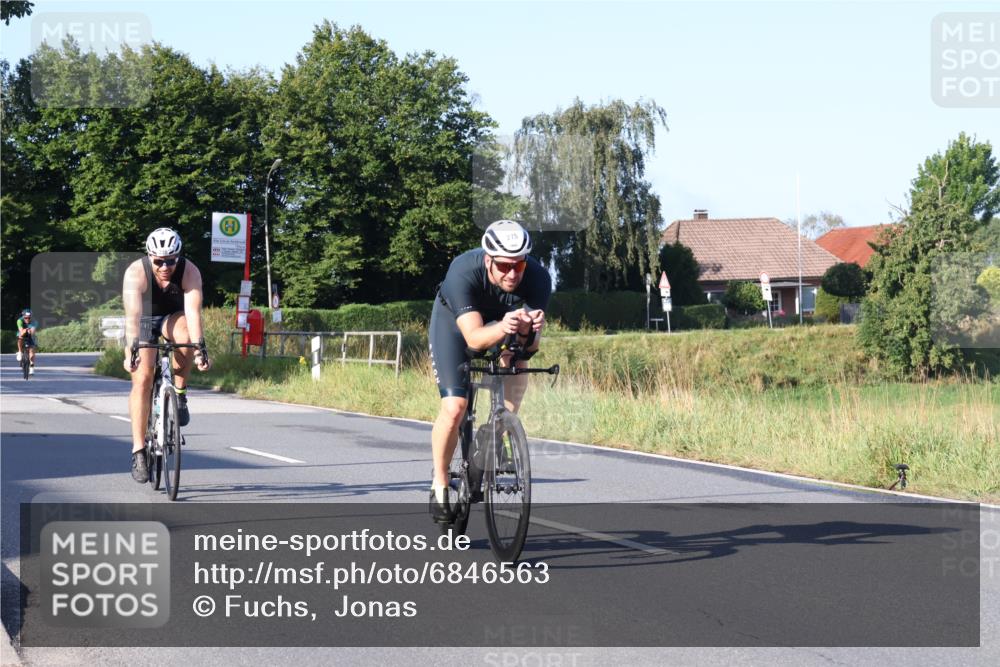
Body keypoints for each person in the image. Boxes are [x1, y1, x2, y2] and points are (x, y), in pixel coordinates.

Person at [428, 220, 550, 522]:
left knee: (517, 363)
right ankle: (441, 482)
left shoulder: (537, 278)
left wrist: (528, 334)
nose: (512, 273)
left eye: (518, 265)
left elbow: (530, 348)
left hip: (501, 326)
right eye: (504, 266)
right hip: (456, 328)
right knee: (455, 408)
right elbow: (473, 339)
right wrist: (503, 326)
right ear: (488, 260)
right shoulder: (462, 272)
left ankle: (495, 432)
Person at [122, 228, 211, 483]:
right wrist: (131, 350)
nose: (164, 266)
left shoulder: (190, 271)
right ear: (150, 256)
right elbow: (133, 317)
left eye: (170, 260)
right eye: (158, 261)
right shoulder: (136, 273)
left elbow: (193, 314)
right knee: (142, 379)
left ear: (178, 257)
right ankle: (138, 451)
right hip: (143, 320)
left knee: (186, 336)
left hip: (173, 317)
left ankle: (180, 395)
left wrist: (200, 349)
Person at [15, 309, 38, 375]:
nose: (27, 319)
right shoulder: (19, 320)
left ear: (31, 317)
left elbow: (33, 332)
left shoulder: (34, 321)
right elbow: (21, 330)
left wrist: (30, 332)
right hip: (22, 332)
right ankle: (20, 351)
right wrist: (25, 330)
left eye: (29, 318)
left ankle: (32, 367)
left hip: (31, 334)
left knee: (32, 350)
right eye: (26, 318)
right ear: (23, 317)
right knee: (20, 337)